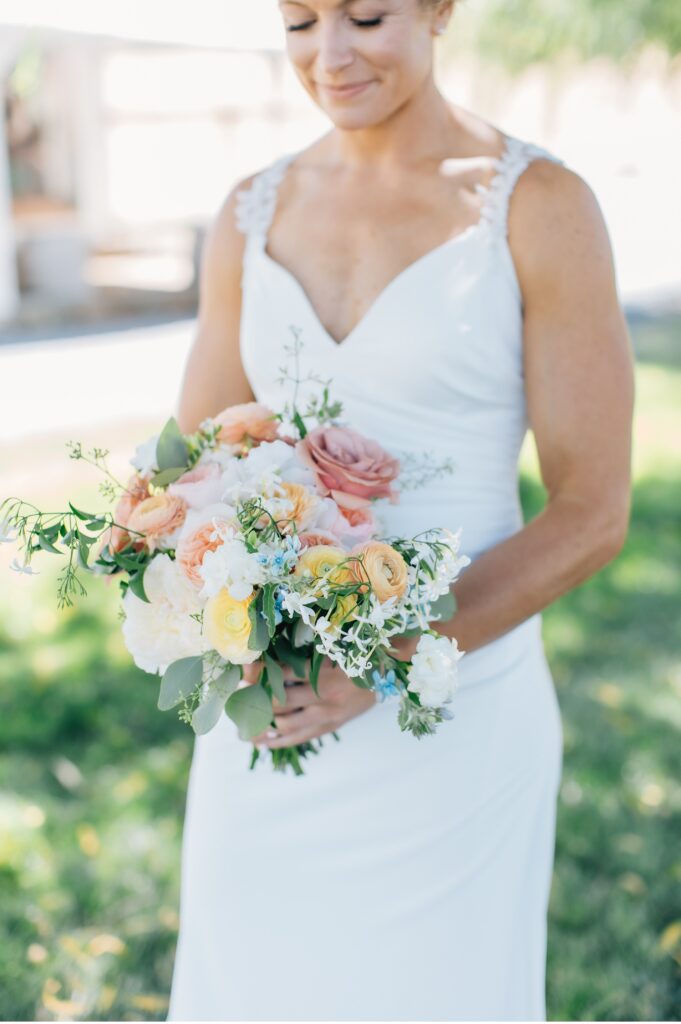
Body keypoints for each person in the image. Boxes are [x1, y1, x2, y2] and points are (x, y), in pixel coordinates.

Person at [166, 0, 634, 1019]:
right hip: (271, 713)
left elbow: (594, 510)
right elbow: (196, 462)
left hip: (454, 722)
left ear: (439, 8)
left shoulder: (539, 204)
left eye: (367, 14)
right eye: (298, 21)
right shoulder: (250, 209)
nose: (329, 55)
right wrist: (205, 586)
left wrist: (388, 656)